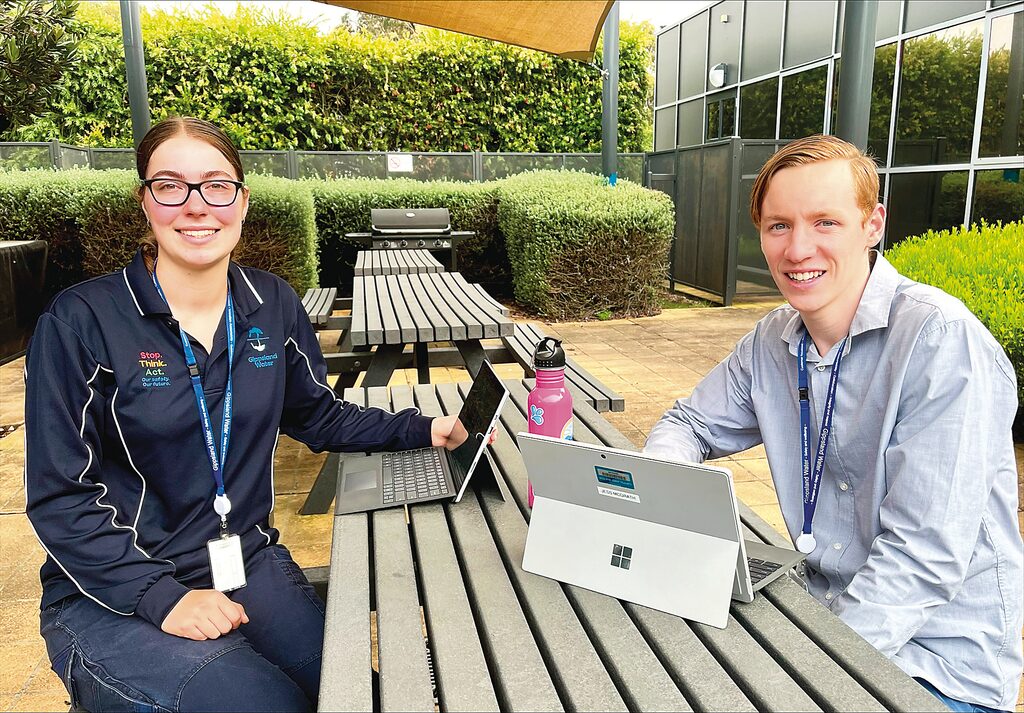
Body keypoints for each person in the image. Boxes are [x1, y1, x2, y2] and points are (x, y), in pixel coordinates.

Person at [24, 116, 467, 713]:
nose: (196, 205)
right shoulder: (82, 320)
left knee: (356, 695)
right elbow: (59, 496)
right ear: (145, 201)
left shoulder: (271, 302)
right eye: (170, 186)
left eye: (216, 185)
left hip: (243, 560)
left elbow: (317, 416)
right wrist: (161, 598)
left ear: (242, 200)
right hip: (113, 587)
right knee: (267, 704)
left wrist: (423, 428)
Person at [644, 134, 1022, 713]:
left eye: (825, 222)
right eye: (779, 226)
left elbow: (922, 558)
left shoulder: (941, 342)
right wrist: (661, 495)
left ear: (873, 226)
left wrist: (804, 671)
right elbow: (688, 423)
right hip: (822, 615)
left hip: (936, 667)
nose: (798, 249)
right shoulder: (772, 340)